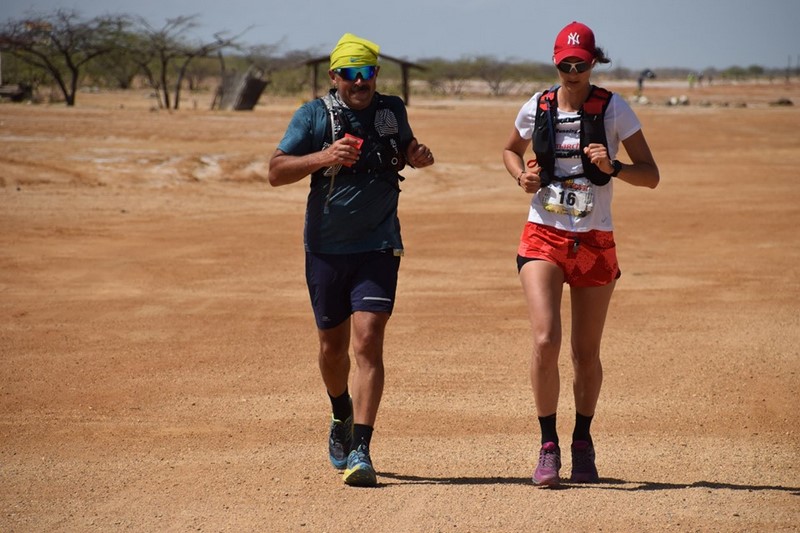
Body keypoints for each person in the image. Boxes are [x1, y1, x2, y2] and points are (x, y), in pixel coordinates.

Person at [268, 33, 434, 487]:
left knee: (368, 342)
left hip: (379, 246)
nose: (360, 82)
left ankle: (361, 448)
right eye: (351, 74)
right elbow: (275, 171)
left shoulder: (391, 109)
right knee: (332, 348)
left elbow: (405, 148)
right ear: (334, 75)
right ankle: (340, 410)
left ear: (376, 74)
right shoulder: (312, 115)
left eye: (368, 72)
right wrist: (324, 156)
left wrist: (417, 155)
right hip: (326, 247)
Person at [502, 21, 659, 487]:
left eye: (581, 65)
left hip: (594, 241)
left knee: (585, 353)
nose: (573, 73)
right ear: (555, 63)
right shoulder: (538, 105)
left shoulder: (614, 109)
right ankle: (548, 445)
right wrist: (521, 176)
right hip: (543, 235)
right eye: (565, 65)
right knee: (545, 339)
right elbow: (510, 150)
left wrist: (615, 167)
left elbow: (651, 175)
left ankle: (582, 442)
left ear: (594, 63)